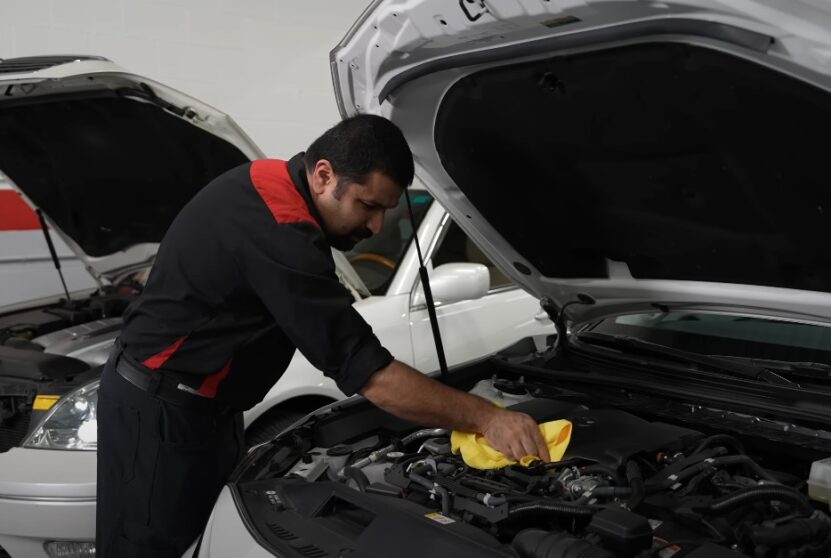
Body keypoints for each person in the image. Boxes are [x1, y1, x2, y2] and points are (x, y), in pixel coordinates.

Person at [95, 114, 550, 557]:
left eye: (385, 212)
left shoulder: (268, 179)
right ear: (323, 175)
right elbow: (370, 375)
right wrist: (488, 418)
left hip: (202, 407)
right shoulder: (280, 228)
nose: (375, 227)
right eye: (368, 206)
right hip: (161, 412)